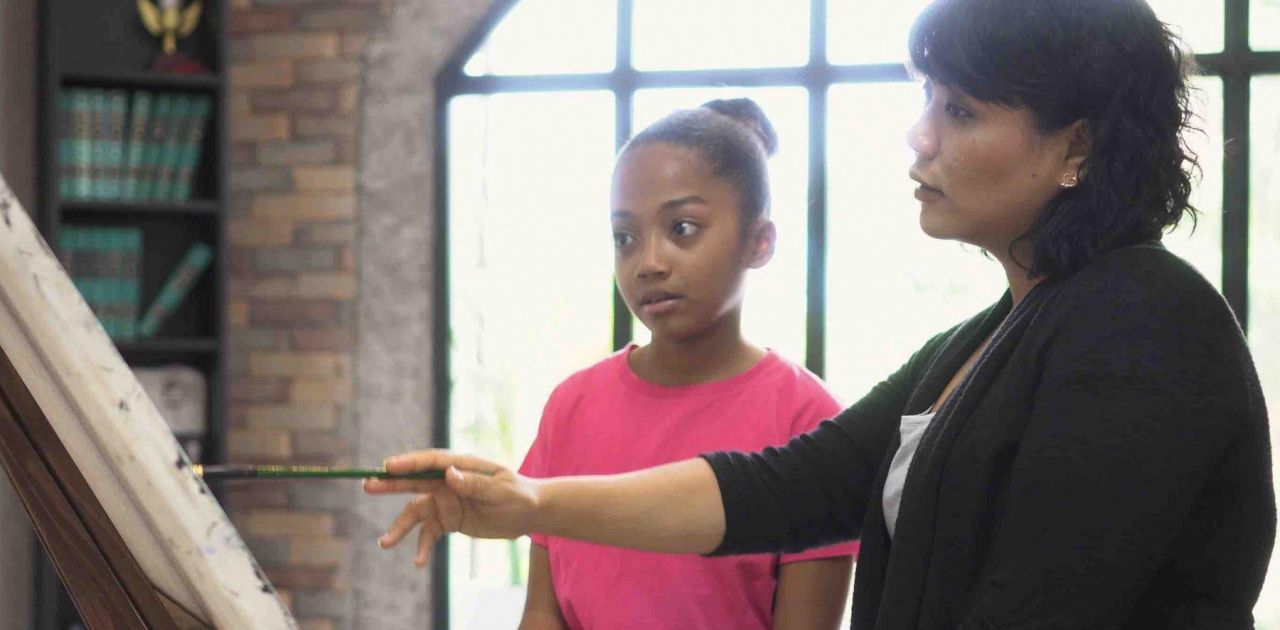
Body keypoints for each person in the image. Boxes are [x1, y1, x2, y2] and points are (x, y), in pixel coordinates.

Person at [366, 1, 1276, 627]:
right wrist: (530, 502)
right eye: (927, 99)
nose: (920, 136)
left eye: (959, 110)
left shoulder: (1144, 320)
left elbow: (1042, 609)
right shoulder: (986, 337)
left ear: (1075, 146)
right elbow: (786, 487)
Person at [512, 98, 856, 630]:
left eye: (683, 229)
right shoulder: (571, 405)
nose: (648, 262)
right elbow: (542, 612)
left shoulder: (810, 420)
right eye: (624, 237)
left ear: (759, 242)